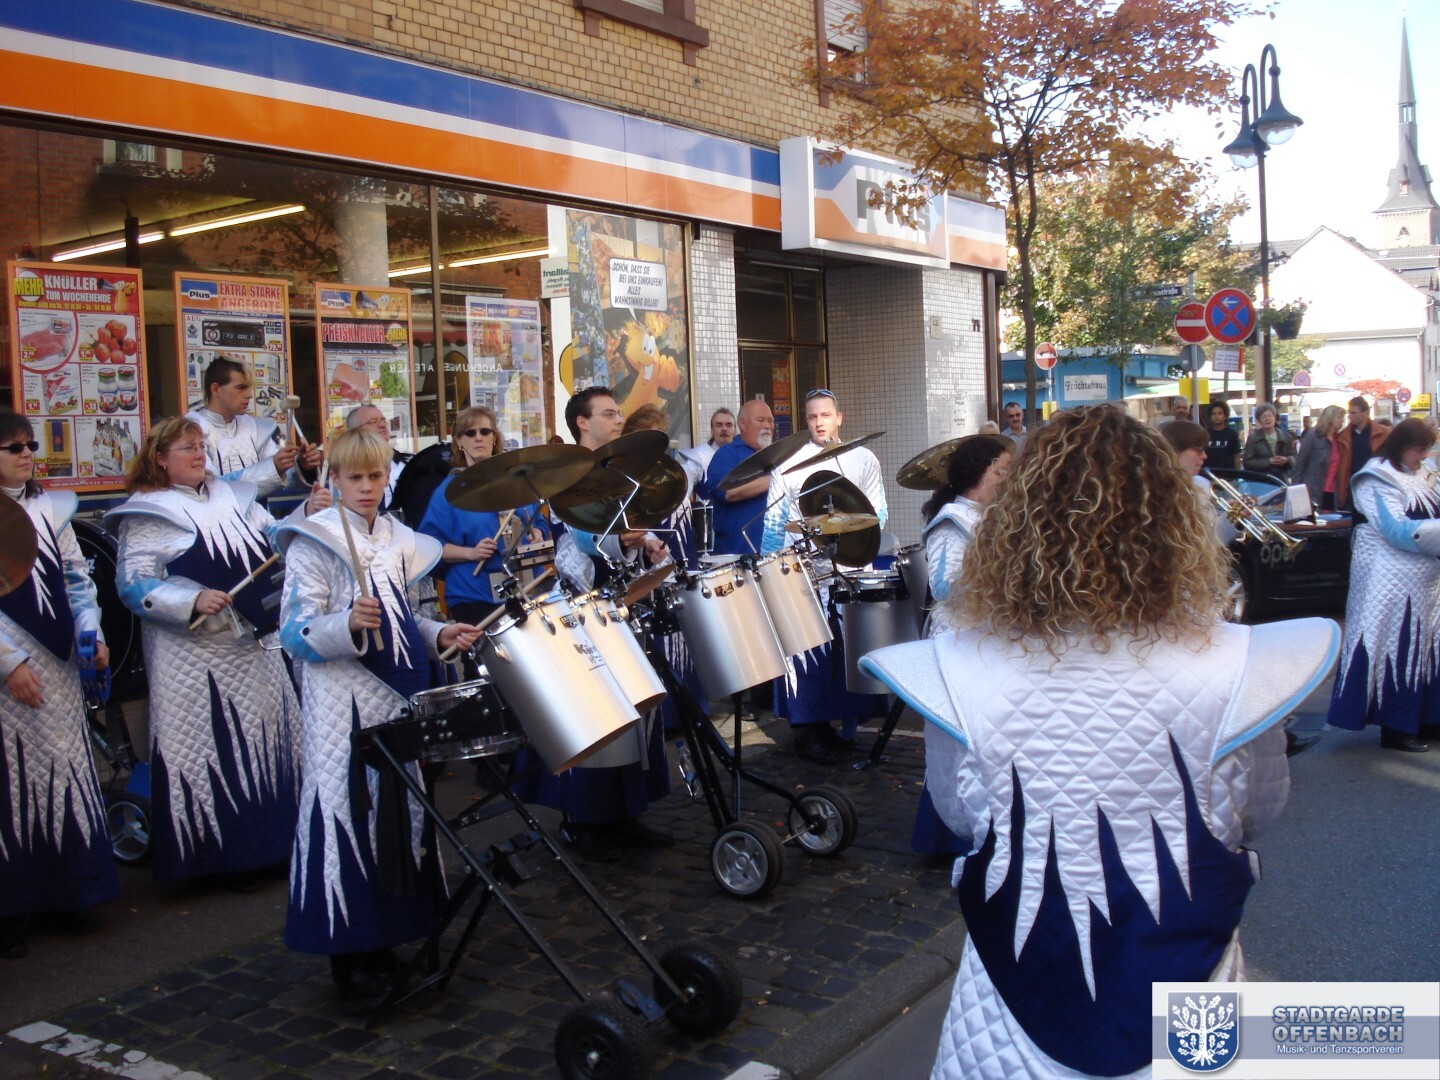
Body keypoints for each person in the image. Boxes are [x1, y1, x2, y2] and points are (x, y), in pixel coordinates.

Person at [859, 405, 1338, 1080]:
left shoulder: (957, 667)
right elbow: (1260, 808)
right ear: (1171, 521)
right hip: (1190, 982)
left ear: (1017, 523)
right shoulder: (1236, 665)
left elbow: (959, 813)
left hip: (1010, 1000)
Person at [277, 428, 481, 1005]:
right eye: (354, 478)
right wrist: (344, 623)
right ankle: (350, 956)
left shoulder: (396, 537)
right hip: (338, 700)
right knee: (347, 810)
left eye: (375, 476)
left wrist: (439, 632)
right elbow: (293, 632)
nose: (366, 488)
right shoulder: (313, 541)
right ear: (334, 480)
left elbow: (403, 617)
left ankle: (393, 935)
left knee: (398, 812)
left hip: (395, 698)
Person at [112, 417, 326, 887]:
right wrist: (190, 600)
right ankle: (217, 862)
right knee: (207, 750)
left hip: (253, 647)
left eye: (200, 446)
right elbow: (132, 584)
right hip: (192, 657)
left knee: (268, 744)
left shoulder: (232, 495)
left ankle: (275, 847)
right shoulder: (146, 511)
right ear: (160, 459)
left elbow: (274, 539)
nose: (198, 454)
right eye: (187, 448)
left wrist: (307, 512)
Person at [511, 388, 672, 861]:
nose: (618, 419)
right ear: (581, 423)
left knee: (629, 702)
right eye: (607, 413)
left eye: (618, 411)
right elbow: (578, 536)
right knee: (591, 708)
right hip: (575, 602)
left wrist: (644, 543)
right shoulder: (565, 473)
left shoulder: (616, 470)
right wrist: (624, 539)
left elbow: (620, 528)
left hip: (614, 598)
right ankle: (581, 820)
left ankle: (625, 812)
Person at [0, 409, 118, 960]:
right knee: (11, 781)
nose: (27, 454)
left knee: (65, 767)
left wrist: (91, 632)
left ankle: (71, 891)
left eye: (29, 445)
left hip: (59, 661)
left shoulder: (52, 509)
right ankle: (10, 908)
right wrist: (8, 664)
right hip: (10, 668)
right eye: (14, 447)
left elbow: (76, 577)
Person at [760, 389, 889, 764]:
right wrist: (771, 571)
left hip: (848, 568)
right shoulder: (788, 463)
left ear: (839, 417)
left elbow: (877, 513)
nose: (819, 422)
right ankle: (807, 730)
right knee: (808, 653)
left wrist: (857, 541)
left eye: (826, 415)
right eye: (812, 416)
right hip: (801, 571)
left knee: (846, 651)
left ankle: (845, 725)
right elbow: (773, 523)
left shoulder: (862, 458)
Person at [909, 434, 1010, 857]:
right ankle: (951, 835)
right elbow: (944, 586)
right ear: (978, 474)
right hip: (958, 645)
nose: (1007, 479)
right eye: (1001, 472)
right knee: (958, 743)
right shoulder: (953, 520)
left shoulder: (992, 517)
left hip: (985, 642)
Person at [1328, 418, 1440, 753]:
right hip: (1389, 583)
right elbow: (1395, 530)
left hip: (1426, 582)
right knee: (1398, 647)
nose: (1424, 455)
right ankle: (1397, 729)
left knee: (1428, 651)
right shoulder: (1375, 477)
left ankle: (1428, 720)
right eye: (1419, 449)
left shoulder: (1423, 473)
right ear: (1401, 447)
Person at [418, 406, 545, 625]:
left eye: (485, 432)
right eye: (470, 433)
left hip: (527, 589)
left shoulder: (518, 480)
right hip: (474, 596)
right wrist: (471, 553)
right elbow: (430, 545)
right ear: (459, 442)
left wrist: (538, 533)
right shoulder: (449, 491)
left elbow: (539, 522)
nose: (478, 437)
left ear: (494, 438)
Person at [187, 358, 319, 498]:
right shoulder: (190, 431)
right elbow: (209, 487)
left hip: (259, 512)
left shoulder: (255, 428)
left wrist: (302, 465)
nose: (249, 394)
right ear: (215, 389)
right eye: (241, 388)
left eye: (248, 388)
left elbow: (287, 480)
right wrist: (273, 467)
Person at [701, 399, 775, 556]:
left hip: (776, 553)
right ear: (742, 424)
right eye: (760, 420)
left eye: (770, 421)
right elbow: (730, 492)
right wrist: (776, 479)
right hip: (737, 557)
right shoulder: (727, 454)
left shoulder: (778, 454)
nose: (767, 426)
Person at [345, 405, 411, 512]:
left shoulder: (408, 465)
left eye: (384, 420)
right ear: (354, 432)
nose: (382, 425)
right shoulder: (343, 469)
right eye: (373, 421)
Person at [1335, 395, 1392, 511]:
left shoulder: (1383, 433)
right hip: (1352, 488)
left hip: (1376, 486)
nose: (1350, 416)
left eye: (1353, 413)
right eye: (1349, 413)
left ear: (1365, 413)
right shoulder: (1343, 436)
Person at [1293, 404, 1346, 510]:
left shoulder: (1339, 439)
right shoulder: (1313, 436)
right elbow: (1300, 465)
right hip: (1313, 490)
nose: (1342, 420)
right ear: (1330, 418)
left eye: (1343, 418)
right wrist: (1296, 491)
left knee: (1329, 518)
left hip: (1332, 491)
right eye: (1339, 417)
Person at [678, 407, 735, 489]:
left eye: (729, 425)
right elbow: (683, 484)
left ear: (734, 429)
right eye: (719, 425)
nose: (724, 429)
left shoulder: (744, 453)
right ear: (712, 430)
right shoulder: (699, 457)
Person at [1241, 402, 1296, 481]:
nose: (1267, 419)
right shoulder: (1253, 439)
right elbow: (1247, 462)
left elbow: (1294, 457)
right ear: (1259, 421)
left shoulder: (1286, 437)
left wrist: (1286, 460)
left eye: (1270, 416)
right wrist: (1268, 461)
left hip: (1282, 479)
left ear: (1274, 418)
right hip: (1261, 480)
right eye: (1264, 417)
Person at [1204, 400, 1241, 470]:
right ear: (1210, 416)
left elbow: (1236, 456)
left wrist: (1237, 473)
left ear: (1225, 416)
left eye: (1219, 413)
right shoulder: (1205, 434)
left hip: (1228, 474)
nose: (1216, 416)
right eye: (1213, 414)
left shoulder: (1232, 434)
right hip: (1209, 473)